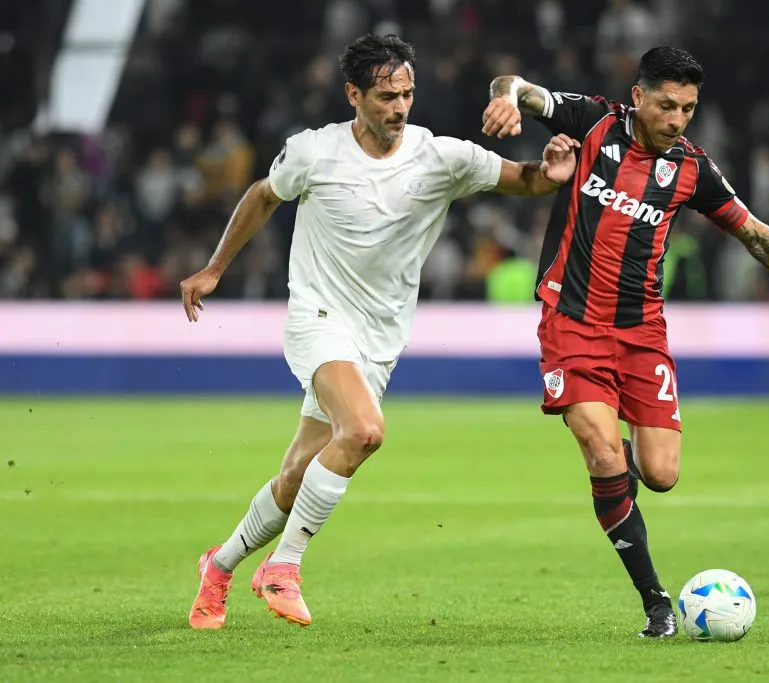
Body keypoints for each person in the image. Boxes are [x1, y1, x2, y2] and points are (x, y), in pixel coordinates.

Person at [180, 33, 580, 630]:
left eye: (408, 94)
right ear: (354, 95)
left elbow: (521, 179)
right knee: (364, 432)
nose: (399, 107)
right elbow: (263, 197)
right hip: (318, 317)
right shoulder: (314, 153)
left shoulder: (441, 157)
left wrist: (550, 172)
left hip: (380, 337)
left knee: (296, 477)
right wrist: (214, 267)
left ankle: (220, 566)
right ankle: (283, 566)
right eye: (387, 95)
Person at [481, 46, 769, 638]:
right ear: (638, 96)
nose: (677, 119)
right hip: (572, 324)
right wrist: (504, 99)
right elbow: (516, 83)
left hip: (642, 335)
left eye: (687, 108)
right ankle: (656, 601)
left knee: (659, 474)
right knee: (604, 455)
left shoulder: (692, 169)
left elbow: (755, 234)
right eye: (666, 105)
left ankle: (614, 481)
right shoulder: (592, 122)